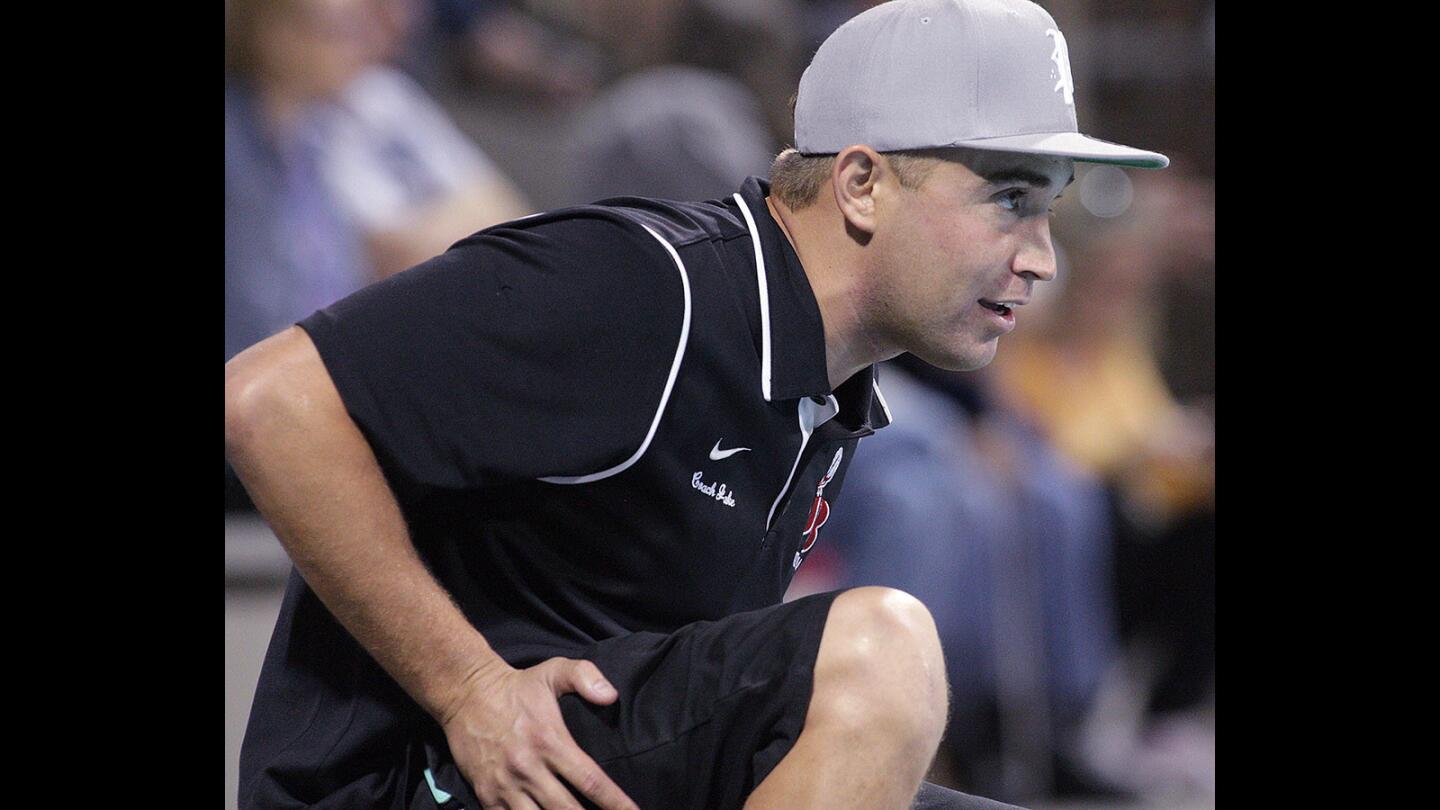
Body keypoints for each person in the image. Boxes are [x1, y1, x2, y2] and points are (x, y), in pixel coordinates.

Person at [224, 1, 1168, 808]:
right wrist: (470, 687)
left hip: (583, 761)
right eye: (1010, 200)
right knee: (883, 648)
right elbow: (266, 399)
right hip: (417, 778)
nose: (1043, 256)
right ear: (864, 184)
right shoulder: (645, 284)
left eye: (1049, 211)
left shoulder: (822, 380)